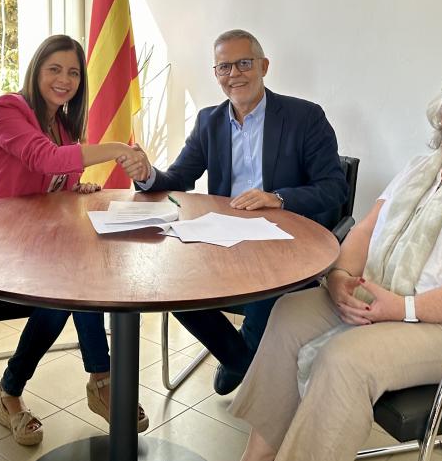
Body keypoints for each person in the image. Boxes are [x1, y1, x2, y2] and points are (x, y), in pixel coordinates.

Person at [230, 58, 442, 461]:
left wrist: (404, 308)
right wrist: (340, 278)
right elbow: (365, 229)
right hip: (387, 300)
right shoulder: (421, 168)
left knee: (346, 359)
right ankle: (257, 457)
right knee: (289, 313)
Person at [119, 28, 348, 395]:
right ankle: (238, 358)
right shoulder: (209, 120)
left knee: (263, 292)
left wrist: (278, 197)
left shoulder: (304, 117)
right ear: (216, 74)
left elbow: (334, 188)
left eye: (244, 63)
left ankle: (244, 358)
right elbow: (179, 178)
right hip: (223, 236)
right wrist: (148, 175)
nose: (234, 74)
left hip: (284, 238)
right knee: (173, 286)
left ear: (264, 66)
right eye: (224, 67)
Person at [0, 34, 148, 445]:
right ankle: (29, 388)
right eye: (54, 68)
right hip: (0, 237)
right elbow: (44, 159)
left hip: (41, 239)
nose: (64, 79)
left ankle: (83, 381)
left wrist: (76, 187)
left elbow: (57, 175)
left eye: (73, 72)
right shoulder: (8, 108)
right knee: (70, 291)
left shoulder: (61, 122)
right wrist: (114, 149)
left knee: (81, 276)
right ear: (36, 69)